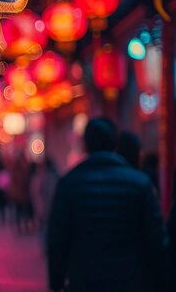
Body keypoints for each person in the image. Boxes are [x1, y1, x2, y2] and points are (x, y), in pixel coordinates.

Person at [47, 117, 168, 292]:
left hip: (84, 280)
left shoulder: (69, 183)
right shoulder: (140, 183)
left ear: (85, 145)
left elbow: (58, 239)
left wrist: (56, 282)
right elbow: (156, 239)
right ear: (115, 144)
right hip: (131, 280)